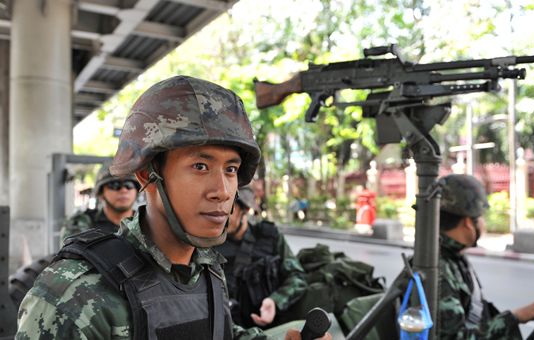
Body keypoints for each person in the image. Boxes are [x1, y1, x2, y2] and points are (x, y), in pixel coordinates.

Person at [16, 76, 327, 340]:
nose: (222, 192)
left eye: (231, 169)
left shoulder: (206, 272)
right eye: (201, 166)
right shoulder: (76, 293)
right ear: (146, 175)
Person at [437, 174, 534, 339]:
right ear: (468, 223)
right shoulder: (439, 269)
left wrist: (517, 316)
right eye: (481, 217)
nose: (484, 223)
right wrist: (515, 317)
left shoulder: (453, 259)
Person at [215, 185, 307, 328]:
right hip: (230, 328)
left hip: (269, 327)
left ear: (244, 210)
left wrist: (275, 301)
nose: (220, 216)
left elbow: (297, 277)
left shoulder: (269, 236)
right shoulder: (209, 244)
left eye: (228, 209)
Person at [59, 161, 139, 243]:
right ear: (101, 193)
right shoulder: (81, 222)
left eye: (129, 185)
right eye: (115, 185)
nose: (123, 190)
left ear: (137, 191)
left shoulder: (147, 224)